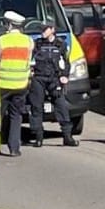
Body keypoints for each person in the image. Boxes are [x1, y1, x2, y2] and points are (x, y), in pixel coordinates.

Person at [27, 20, 75, 148]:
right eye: (42, 29)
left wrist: (65, 75)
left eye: (45, 29)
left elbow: (66, 62)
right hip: (38, 78)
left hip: (54, 79)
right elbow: (29, 61)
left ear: (52, 30)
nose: (42, 32)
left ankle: (67, 136)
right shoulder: (36, 44)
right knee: (36, 107)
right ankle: (38, 137)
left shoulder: (61, 44)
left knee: (61, 106)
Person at [0, 11, 33, 157]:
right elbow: (28, 62)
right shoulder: (29, 41)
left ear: (9, 24)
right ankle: (14, 148)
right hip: (21, 85)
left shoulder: (1, 41)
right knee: (16, 116)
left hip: (2, 85)